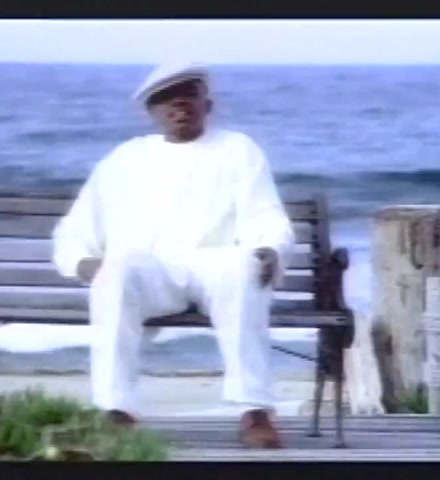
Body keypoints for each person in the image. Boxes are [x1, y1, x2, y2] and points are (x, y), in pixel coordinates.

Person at [51, 62, 295, 449]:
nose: (178, 104)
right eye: (166, 99)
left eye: (188, 95)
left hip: (215, 266)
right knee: (116, 268)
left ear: (207, 104)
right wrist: (83, 262)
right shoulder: (125, 158)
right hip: (154, 272)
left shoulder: (238, 150)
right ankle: (115, 410)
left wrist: (270, 248)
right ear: (151, 111)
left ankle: (255, 410)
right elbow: (76, 227)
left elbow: (267, 214)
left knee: (244, 265)